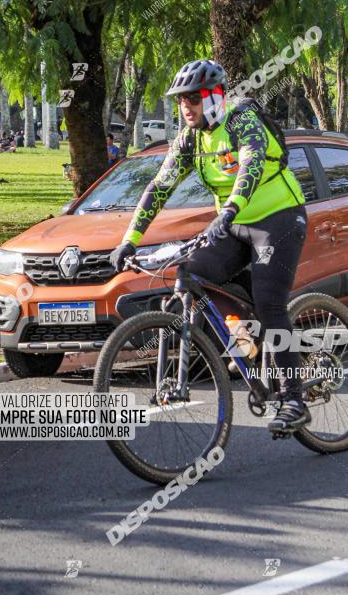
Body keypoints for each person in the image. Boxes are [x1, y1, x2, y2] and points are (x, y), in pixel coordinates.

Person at [109, 59, 310, 435]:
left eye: (194, 99)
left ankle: (294, 398)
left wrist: (231, 208)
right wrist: (129, 240)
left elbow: (250, 165)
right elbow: (159, 187)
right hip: (233, 225)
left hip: (279, 218)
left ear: (216, 96)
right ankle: (243, 339)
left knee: (270, 303)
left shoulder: (241, 120)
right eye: (181, 101)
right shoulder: (190, 138)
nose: (186, 108)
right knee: (189, 271)